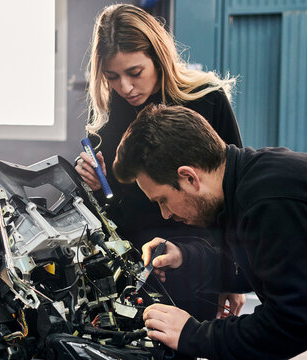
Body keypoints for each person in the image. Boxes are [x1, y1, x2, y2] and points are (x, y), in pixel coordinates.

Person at [112, 104, 307, 359]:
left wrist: (191, 335)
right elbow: (260, 267)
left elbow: (296, 322)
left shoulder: (270, 200)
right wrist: (185, 258)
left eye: (162, 200)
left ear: (189, 178)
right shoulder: (249, 182)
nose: (165, 214)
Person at [75, 3, 245, 321]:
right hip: (135, 262)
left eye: (134, 73)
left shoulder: (208, 99)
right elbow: (113, 208)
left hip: (198, 257)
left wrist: (231, 274)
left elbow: (234, 193)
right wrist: (99, 187)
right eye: (112, 77)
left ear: (158, 56)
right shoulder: (106, 115)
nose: (124, 87)